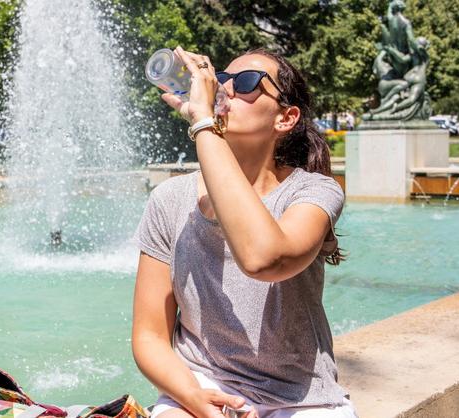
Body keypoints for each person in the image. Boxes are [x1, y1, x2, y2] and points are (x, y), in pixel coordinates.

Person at [132, 47, 357, 418]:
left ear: (286, 118)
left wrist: (204, 121)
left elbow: (263, 258)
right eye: (223, 79)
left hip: (301, 400)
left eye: (248, 82)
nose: (228, 89)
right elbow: (149, 336)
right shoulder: (169, 199)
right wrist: (194, 396)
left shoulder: (314, 192)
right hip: (200, 386)